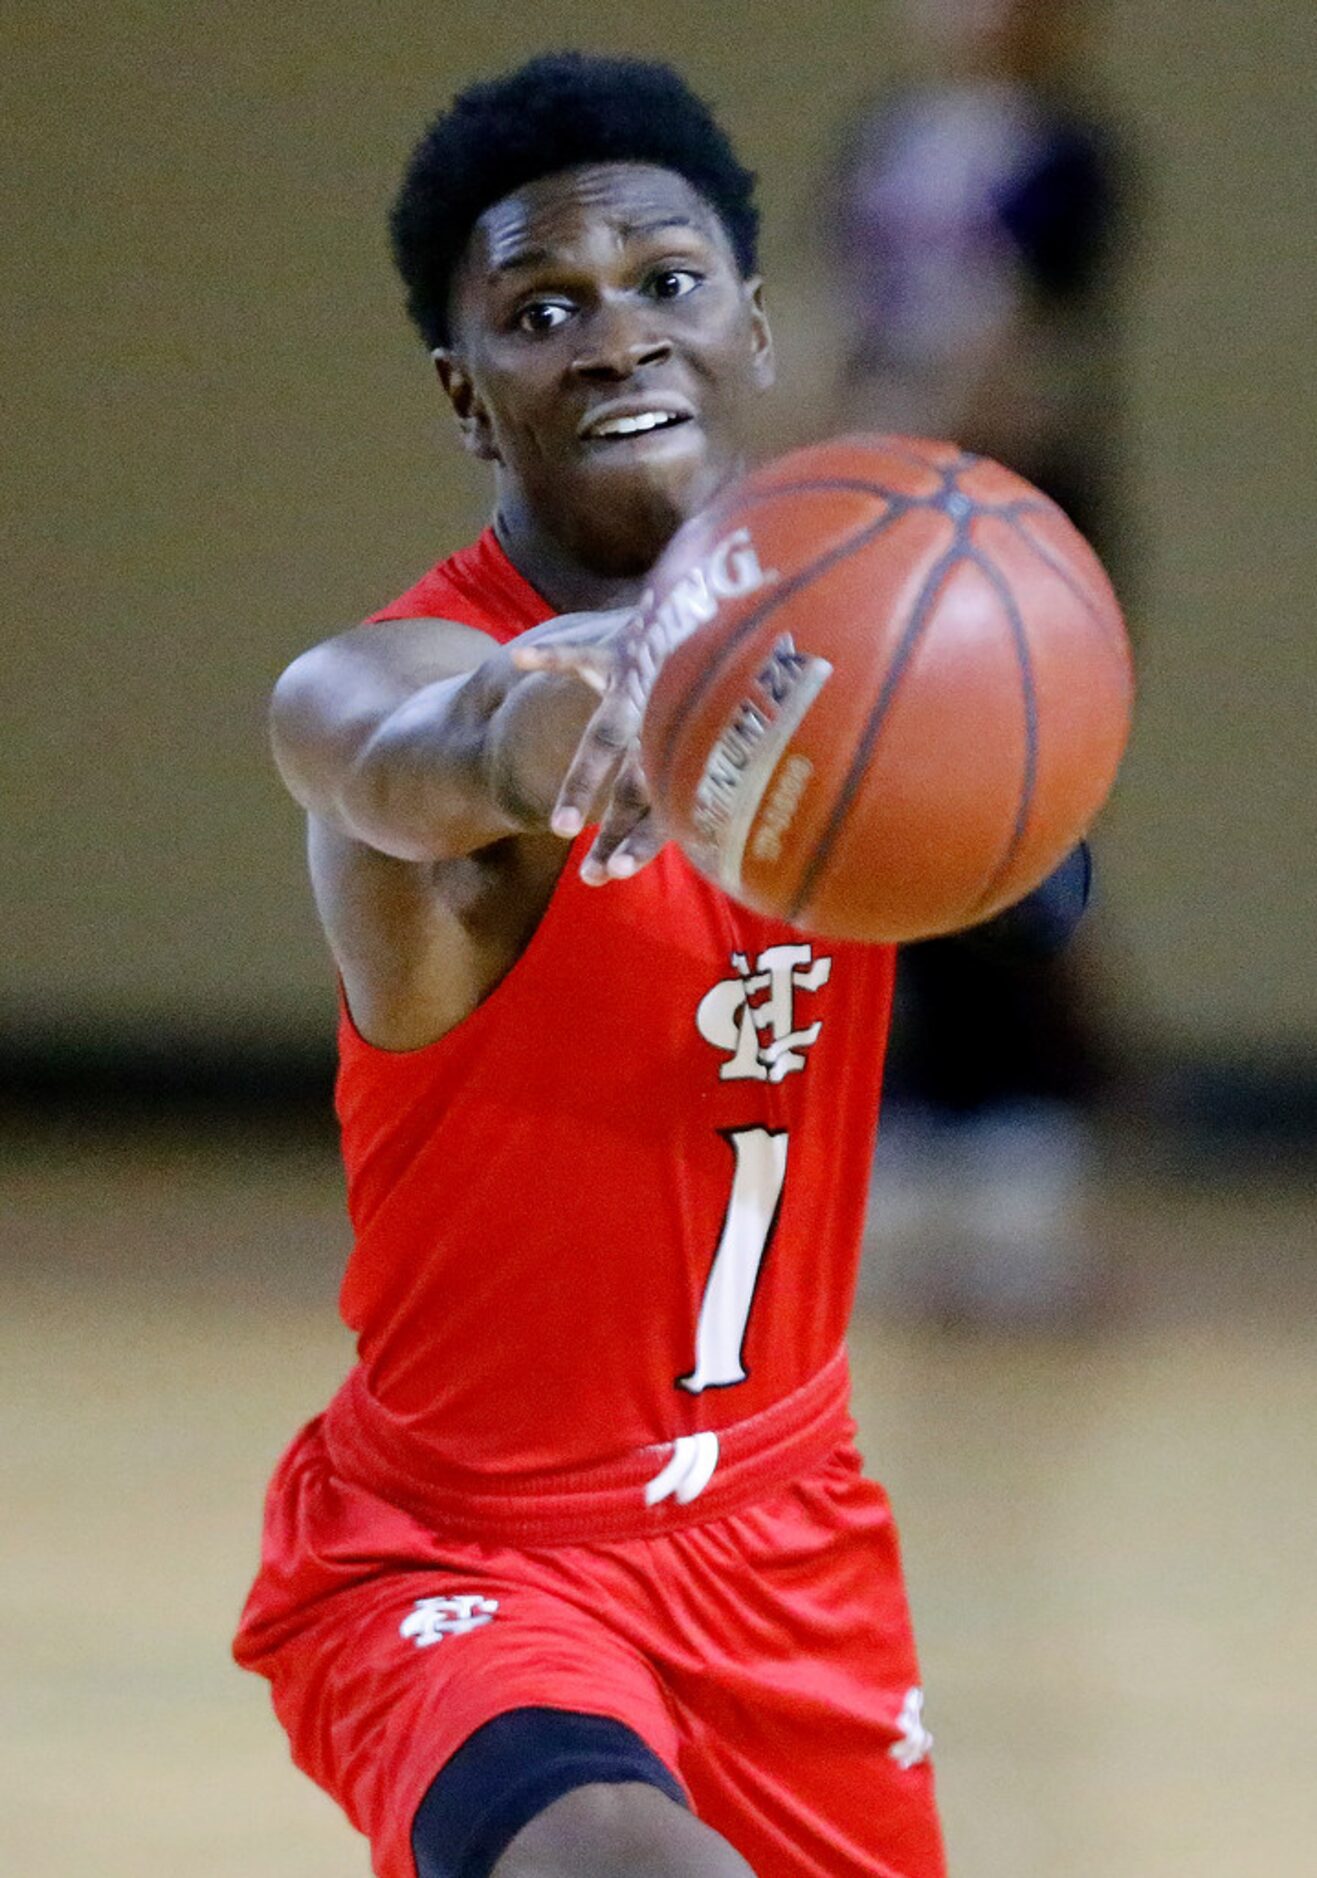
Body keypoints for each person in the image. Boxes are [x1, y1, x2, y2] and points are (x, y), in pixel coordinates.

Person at [234, 51, 1086, 1878]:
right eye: (544, 311)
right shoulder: (413, 671)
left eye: (667, 285)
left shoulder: (865, 637)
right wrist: (560, 722)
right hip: (465, 1551)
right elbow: (367, 741)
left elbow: (1041, 873)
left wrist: (966, 777)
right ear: (470, 395)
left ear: (756, 331)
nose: (616, 338)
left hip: (788, 1533)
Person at [826, 0, 1130, 1323]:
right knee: (885, 813)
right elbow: (839, 307)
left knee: (1009, 807)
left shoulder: (1074, 154)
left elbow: (1010, 327)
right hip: (885, 495)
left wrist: (907, 436)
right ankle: (928, 1094)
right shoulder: (885, 138)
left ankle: (1031, 1100)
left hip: (1013, 510)